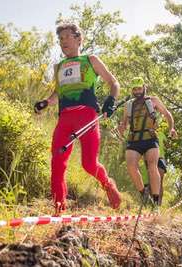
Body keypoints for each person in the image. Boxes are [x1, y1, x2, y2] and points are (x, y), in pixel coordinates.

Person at [34, 23, 121, 215]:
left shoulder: (90, 60)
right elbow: (58, 92)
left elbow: (114, 82)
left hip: (87, 116)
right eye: (60, 39)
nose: (63, 41)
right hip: (65, 119)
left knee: (89, 165)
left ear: (79, 39)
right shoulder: (59, 67)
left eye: (67, 37)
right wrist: (46, 102)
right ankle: (58, 209)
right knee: (57, 162)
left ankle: (107, 184)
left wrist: (111, 100)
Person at [118, 77, 177, 211]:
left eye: (139, 88)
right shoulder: (128, 105)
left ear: (144, 87)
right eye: (134, 89)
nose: (137, 91)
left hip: (150, 138)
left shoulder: (153, 101)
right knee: (131, 166)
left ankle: (156, 202)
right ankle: (144, 194)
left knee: (152, 166)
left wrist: (171, 128)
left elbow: (167, 114)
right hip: (134, 139)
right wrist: (121, 127)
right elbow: (124, 122)